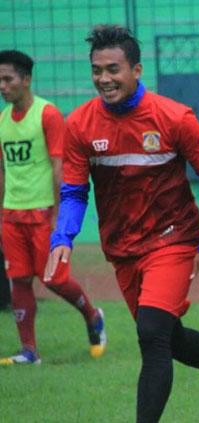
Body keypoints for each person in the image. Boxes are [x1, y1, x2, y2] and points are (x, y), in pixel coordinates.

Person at [43, 25, 199, 422]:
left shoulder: (174, 117)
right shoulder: (80, 125)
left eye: (113, 69)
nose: (104, 79)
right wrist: (64, 235)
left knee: (152, 335)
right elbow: (74, 191)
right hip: (122, 247)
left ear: (137, 69)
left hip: (173, 240)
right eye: (96, 70)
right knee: (168, 337)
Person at [0, 49, 106, 366]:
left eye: (8, 79)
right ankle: (29, 351)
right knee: (18, 279)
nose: (3, 86)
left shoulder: (47, 114)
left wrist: (60, 214)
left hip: (44, 211)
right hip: (11, 214)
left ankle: (92, 316)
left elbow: (60, 166)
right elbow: (3, 171)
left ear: (26, 80)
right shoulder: (2, 121)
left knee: (54, 279)